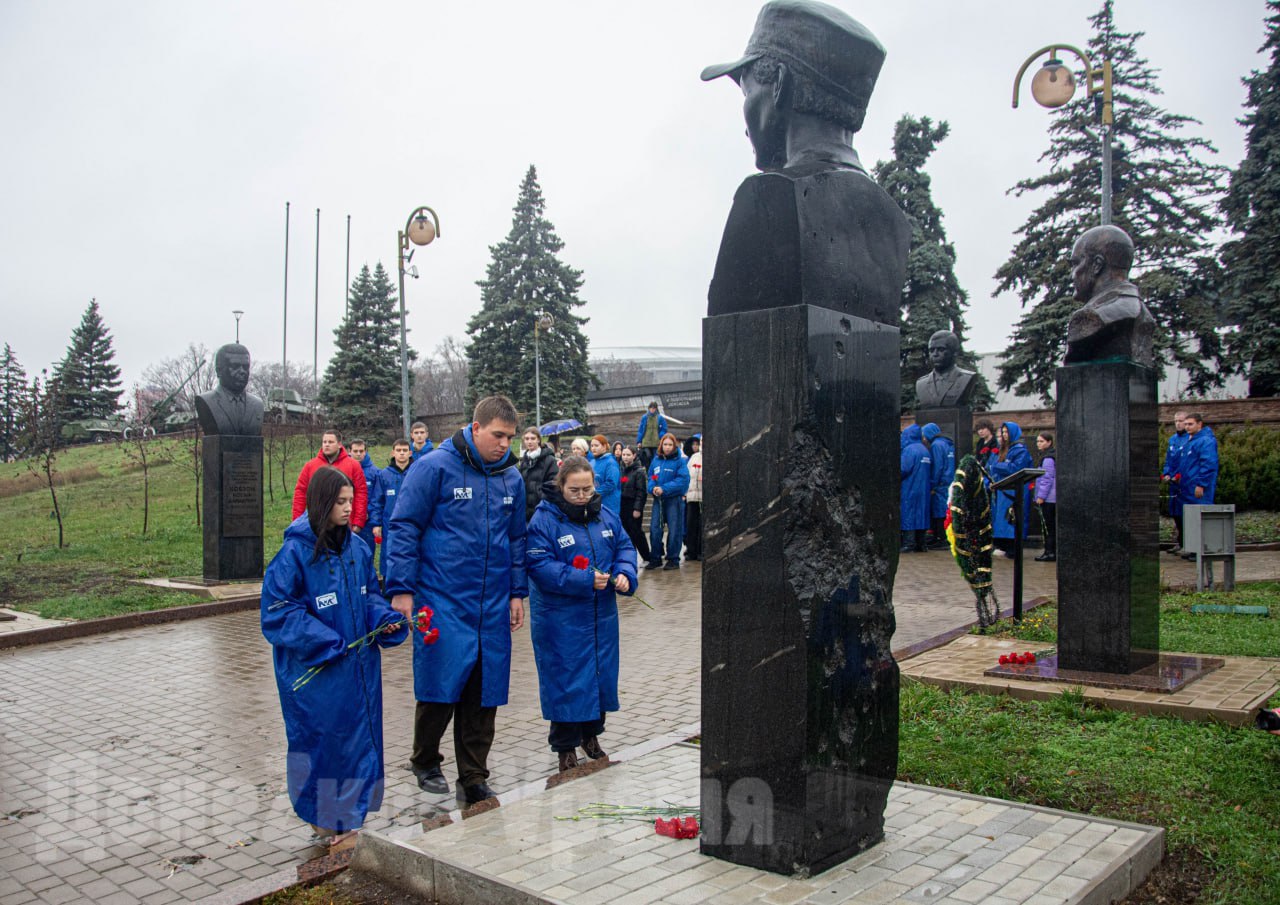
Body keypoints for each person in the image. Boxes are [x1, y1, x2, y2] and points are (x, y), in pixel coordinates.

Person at [384, 396, 528, 806]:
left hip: (492, 602)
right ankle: (425, 760)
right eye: (498, 435)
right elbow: (404, 527)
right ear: (476, 428)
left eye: (510, 437)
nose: (504, 444)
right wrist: (401, 588)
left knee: (484, 691)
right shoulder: (434, 467)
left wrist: (517, 593)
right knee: (441, 682)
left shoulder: (511, 478)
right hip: (442, 598)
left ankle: (474, 776)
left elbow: (517, 539)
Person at [261, 466, 408, 842]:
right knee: (324, 745)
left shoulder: (358, 548)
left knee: (357, 743)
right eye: (340, 501)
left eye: (351, 500)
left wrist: (384, 620)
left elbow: (369, 596)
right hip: (318, 675)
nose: (348, 508)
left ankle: (347, 820)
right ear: (321, 502)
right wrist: (324, 640)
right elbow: (278, 613)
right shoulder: (294, 554)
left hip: (358, 672)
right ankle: (325, 821)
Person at [526, 457, 639, 772]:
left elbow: (624, 547)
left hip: (600, 617)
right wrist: (582, 579)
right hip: (561, 620)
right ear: (561, 486)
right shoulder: (544, 520)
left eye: (587, 489)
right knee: (566, 681)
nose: (581, 496)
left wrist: (624, 573)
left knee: (599, 676)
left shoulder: (605, 515)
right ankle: (565, 747)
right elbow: (538, 564)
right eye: (574, 490)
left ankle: (591, 736)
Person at [293, 429, 368, 534]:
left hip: (344, 523)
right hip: (317, 523)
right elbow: (300, 493)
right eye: (324, 442)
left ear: (339, 444)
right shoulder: (310, 466)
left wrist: (358, 522)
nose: (327, 445)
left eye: (331, 442)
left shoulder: (353, 465)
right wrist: (297, 521)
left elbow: (361, 492)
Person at [194, 343, 265, 436]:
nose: (242, 371)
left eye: (246, 367)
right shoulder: (206, 401)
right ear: (219, 371)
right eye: (235, 366)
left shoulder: (257, 405)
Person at [1177, 413, 1219, 560]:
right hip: (1188, 488)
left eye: (1190, 424)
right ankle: (1194, 548)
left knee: (1200, 518)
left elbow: (1208, 464)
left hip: (1199, 488)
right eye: (1186, 424)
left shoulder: (1206, 441)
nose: (1187, 427)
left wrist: (1201, 484)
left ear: (1199, 424)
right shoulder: (1191, 440)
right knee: (1191, 519)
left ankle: (1202, 550)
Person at [368, 439, 413, 576]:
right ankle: (388, 582)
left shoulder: (417, 471)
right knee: (389, 553)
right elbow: (377, 501)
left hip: (412, 522)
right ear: (393, 453)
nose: (402, 453)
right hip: (390, 523)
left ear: (410, 453)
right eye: (398, 450)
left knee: (411, 552)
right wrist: (376, 523)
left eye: (404, 450)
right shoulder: (384, 475)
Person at [989, 421, 1033, 557]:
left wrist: (997, 466)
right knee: (1003, 519)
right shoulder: (1004, 449)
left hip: (1014, 491)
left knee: (1011, 519)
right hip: (1003, 490)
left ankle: (1013, 548)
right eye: (1003, 432)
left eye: (1006, 432)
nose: (1004, 435)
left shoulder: (1020, 450)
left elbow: (1016, 469)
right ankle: (1004, 545)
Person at [647, 433, 690, 570]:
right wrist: (652, 487)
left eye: (670, 445)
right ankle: (656, 557)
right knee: (654, 529)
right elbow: (652, 476)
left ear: (674, 446)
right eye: (665, 444)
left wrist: (664, 489)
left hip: (674, 501)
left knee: (675, 530)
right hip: (658, 501)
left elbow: (683, 481)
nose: (667, 447)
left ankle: (673, 559)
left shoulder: (680, 462)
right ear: (661, 445)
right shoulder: (656, 460)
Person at [915, 331, 977, 408]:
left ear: (955, 352)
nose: (935, 354)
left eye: (941, 350)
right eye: (931, 350)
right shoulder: (921, 383)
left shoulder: (966, 378)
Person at [921, 423, 954, 549]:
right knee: (945, 510)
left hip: (940, 484)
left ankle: (941, 538)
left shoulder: (936, 445)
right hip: (948, 482)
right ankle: (941, 537)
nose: (924, 439)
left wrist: (932, 484)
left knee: (939, 511)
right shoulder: (947, 444)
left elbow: (937, 467)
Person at [899, 425, 932, 553]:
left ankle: (909, 543)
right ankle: (921, 543)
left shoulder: (909, 450)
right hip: (923, 488)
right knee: (921, 514)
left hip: (910, 487)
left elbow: (903, 469)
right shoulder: (924, 450)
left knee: (909, 513)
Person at [1161, 411, 1190, 553]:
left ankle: (1188, 544)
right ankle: (1180, 542)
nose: (1178, 424)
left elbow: (1186, 462)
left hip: (1184, 484)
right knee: (1175, 513)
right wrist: (1166, 473)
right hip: (1173, 484)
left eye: (1181, 421)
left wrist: (1178, 476)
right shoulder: (1172, 439)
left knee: (1186, 514)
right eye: (1176, 421)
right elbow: (1169, 460)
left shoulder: (1190, 439)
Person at [618, 445, 652, 564]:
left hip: (633, 505)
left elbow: (641, 492)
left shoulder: (639, 472)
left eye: (628, 455)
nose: (625, 457)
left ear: (634, 456)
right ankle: (631, 558)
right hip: (623, 505)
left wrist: (637, 508)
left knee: (636, 533)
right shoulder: (621, 470)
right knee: (627, 533)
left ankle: (647, 557)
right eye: (624, 455)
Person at [518, 427, 559, 522]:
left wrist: (542, 498)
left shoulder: (549, 460)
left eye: (533, 438)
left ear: (538, 440)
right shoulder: (524, 461)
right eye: (527, 439)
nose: (529, 441)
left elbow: (553, 483)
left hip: (542, 508)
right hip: (526, 511)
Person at [350, 438, 380, 554]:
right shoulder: (344, 469)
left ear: (366, 451)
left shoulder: (375, 472)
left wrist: (367, 514)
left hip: (367, 520)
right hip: (347, 517)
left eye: (361, 451)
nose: (358, 454)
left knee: (366, 552)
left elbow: (377, 498)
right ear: (350, 451)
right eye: (355, 451)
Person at [1033, 433, 1057, 562]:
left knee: (1048, 527)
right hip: (1050, 497)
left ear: (1049, 442)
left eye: (1041, 441)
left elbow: (1047, 479)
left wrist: (1041, 496)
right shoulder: (1048, 456)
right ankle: (1050, 551)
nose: (1038, 444)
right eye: (1038, 441)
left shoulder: (1048, 458)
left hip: (1048, 498)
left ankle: (1049, 552)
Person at [588, 434, 621, 516]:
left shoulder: (611, 462)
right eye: (592, 446)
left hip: (608, 503)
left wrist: (595, 493)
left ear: (604, 447)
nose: (593, 448)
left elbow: (611, 483)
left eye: (596, 445)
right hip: (595, 502)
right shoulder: (592, 462)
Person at [685, 434, 703, 562]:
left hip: (703, 497)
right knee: (691, 525)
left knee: (702, 525)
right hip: (692, 497)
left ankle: (702, 551)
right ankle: (691, 551)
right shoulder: (694, 457)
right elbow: (686, 476)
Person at [635, 402, 668, 467]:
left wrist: (660, 436)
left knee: (656, 459)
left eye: (654, 408)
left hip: (656, 443)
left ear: (656, 409)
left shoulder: (660, 418)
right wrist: (639, 441)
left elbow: (664, 429)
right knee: (646, 459)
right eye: (651, 408)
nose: (652, 409)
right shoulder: (644, 417)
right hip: (646, 443)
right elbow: (641, 430)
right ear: (649, 408)